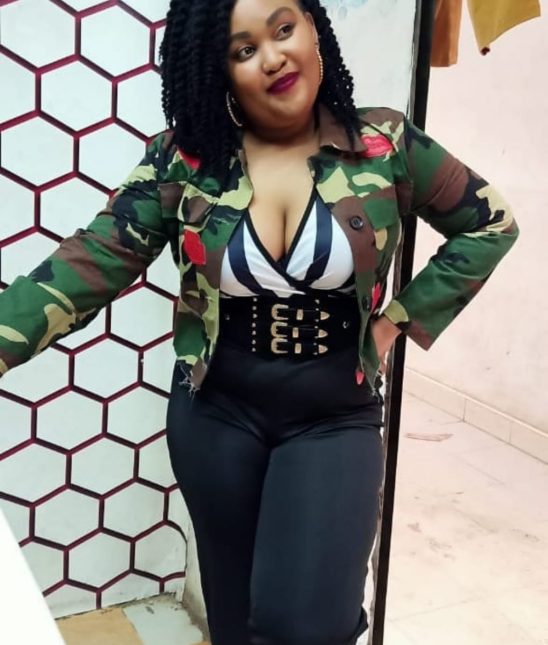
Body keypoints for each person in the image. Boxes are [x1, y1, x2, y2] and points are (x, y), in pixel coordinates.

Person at [0, 0, 519, 643]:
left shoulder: (384, 142)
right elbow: (92, 260)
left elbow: (490, 225)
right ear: (219, 69)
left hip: (335, 414)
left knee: (307, 624)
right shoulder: (184, 160)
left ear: (313, 28)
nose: (272, 57)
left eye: (283, 29)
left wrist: (395, 324)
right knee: (233, 615)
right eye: (244, 50)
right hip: (215, 414)